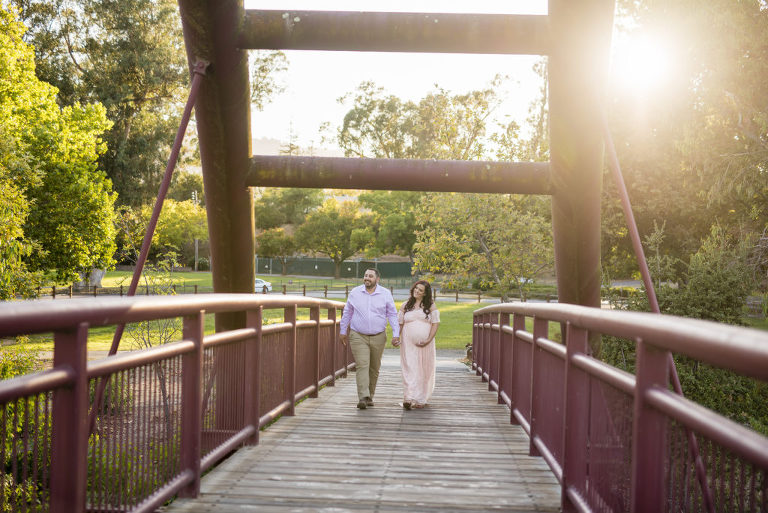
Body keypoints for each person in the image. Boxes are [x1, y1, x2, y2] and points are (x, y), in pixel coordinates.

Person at [340, 268, 400, 409]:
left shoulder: (385, 294)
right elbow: (347, 312)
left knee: (374, 368)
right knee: (362, 365)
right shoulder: (355, 292)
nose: (367, 278)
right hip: (358, 335)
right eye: (366, 275)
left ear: (377, 279)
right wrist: (343, 330)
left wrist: (396, 333)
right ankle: (363, 396)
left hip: (378, 336)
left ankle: (369, 396)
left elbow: (392, 314)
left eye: (370, 276)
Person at [398, 280, 440, 409]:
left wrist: (428, 339)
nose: (417, 291)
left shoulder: (431, 306)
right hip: (408, 342)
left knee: (424, 368)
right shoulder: (405, 305)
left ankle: (421, 398)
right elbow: (399, 324)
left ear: (425, 294)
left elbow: (435, 323)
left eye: (420, 290)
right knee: (409, 367)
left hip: (426, 343)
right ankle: (408, 397)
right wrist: (395, 337)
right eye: (416, 288)